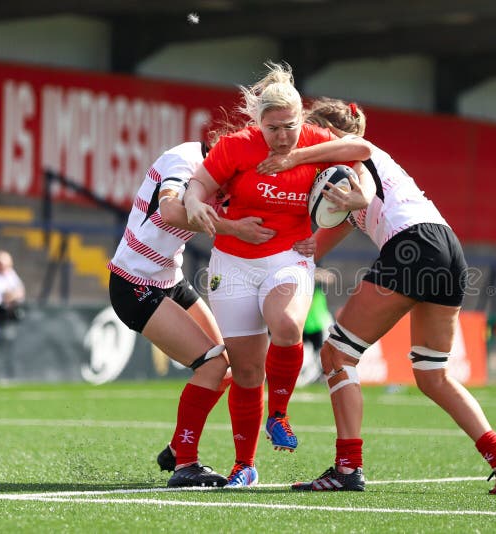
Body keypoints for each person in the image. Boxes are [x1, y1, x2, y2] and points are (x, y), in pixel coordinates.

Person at [255, 97, 496, 494]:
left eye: (311, 134)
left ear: (328, 133)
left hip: (412, 247)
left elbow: (357, 155)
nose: (301, 142)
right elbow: (347, 219)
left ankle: (348, 468)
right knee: (433, 374)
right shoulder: (360, 170)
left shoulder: (353, 153)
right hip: (447, 247)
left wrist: (294, 158)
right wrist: (308, 249)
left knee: (336, 354)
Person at [183, 61, 374, 487]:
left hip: (287, 256)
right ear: (258, 124)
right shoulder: (236, 146)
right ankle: (244, 466)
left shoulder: (311, 139)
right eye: (274, 129)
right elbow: (197, 185)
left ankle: (280, 415)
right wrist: (196, 202)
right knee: (247, 372)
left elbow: (361, 152)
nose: (283, 135)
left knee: (287, 325)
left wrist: (358, 190)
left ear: (300, 119)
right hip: (232, 261)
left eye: (289, 125)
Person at [107, 140, 237, 488]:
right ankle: (186, 464)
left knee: (224, 366)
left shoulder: (219, 169)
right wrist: (235, 227)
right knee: (211, 364)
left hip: (169, 278)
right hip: (135, 283)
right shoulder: (186, 160)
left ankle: (179, 444)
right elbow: (169, 211)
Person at [0, 250, 25, 322]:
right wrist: (7, 295)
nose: (1, 265)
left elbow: (20, 291)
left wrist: (12, 295)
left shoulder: (10, 273)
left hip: (9, 312)